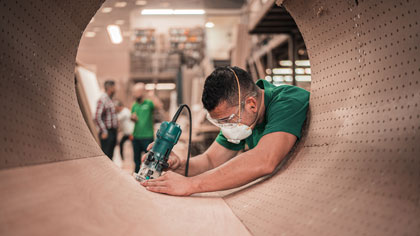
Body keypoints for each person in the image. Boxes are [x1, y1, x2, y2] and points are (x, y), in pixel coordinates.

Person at [141, 66, 310, 196]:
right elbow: (210, 161)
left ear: (251, 104)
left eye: (226, 121)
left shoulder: (287, 101)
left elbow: (264, 160)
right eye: (218, 122)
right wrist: (178, 166)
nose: (225, 127)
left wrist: (192, 184)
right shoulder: (242, 119)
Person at [131, 83, 163, 173]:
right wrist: (132, 118)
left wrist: (150, 95)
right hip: (136, 136)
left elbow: (159, 105)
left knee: (149, 160)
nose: (134, 94)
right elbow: (133, 117)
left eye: (136, 92)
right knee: (136, 161)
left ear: (142, 92)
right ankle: (137, 177)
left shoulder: (149, 103)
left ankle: (148, 177)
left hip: (147, 136)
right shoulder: (134, 105)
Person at [94, 80, 118, 160]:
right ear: (110, 88)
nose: (116, 89)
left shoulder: (110, 99)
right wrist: (104, 131)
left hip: (113, 132)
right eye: (114, 87)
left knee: (111, 156)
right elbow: (97, 116)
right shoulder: (103, 99)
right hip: (107, 133)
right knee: (106, 156)